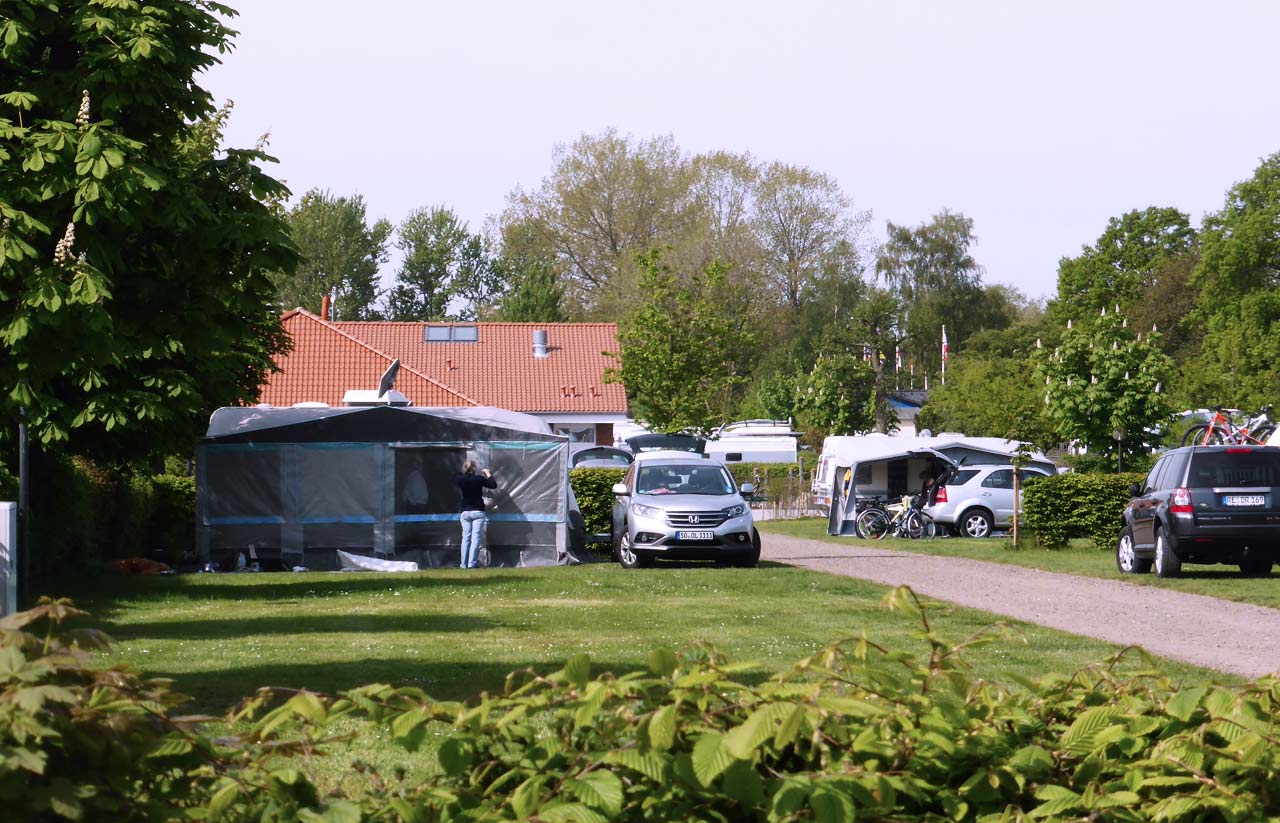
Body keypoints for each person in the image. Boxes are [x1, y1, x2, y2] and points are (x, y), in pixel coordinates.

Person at [455, 459, 497, 568]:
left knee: (465, 538)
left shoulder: (460, 479)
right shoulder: (479, 479)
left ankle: (463, 564)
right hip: (478, 510)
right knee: (475, 537)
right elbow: (493, 485)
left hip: (465, 511)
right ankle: (472, 563)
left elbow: (456, 477)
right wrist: (487, 473)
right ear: (474, 469)